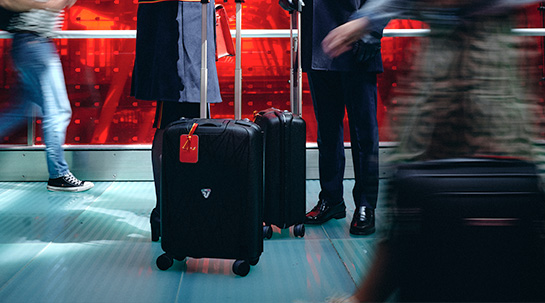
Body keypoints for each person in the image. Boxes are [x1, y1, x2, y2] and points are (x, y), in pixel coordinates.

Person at [322, 0, 543, 301]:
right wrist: (369, 17)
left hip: (489, 57)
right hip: (449, 55)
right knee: (412, 181)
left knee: (505, 182)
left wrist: (371, 16)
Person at [281, 0, 387, 235]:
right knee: (327, 130)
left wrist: (374, 30)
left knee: (364, 133)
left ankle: (365, 205)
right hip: (319, 41)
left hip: (357, 38)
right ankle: (331, 199)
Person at [131, 0, 222, 241]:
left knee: (196, 116)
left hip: (191, 14)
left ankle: (182, 208)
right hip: (172, 17)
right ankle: (172, 210)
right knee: (175, 116)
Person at [0, 0, 94, 192]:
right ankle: (59, 175)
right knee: (58, 111)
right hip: (34, 44)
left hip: (32, 44)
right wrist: (44, 4)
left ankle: (59, 174)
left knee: (22, 110)